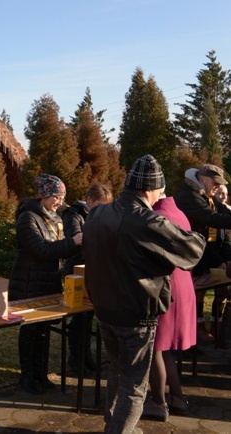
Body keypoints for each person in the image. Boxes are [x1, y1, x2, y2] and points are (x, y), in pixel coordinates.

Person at [83, 155, 205, 434]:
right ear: (151, 190)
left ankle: (113, 423)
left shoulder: (98, 213)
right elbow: (193, 251)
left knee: (116, 369)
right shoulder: (148, 220)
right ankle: (120, 430)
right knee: (134, 384)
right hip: (135, 313)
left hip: (103, 309)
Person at [8, 174, 82, 395]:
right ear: (43, 196)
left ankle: (41, 373)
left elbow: (59, 249)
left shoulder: (55, 218)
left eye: (62, 197)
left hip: (49, 282)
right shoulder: (27, 218)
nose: (59, 201)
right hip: (29, 283)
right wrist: (73, 243)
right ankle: (27, 376)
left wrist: (75, 245)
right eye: (56, 197)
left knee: (44, 330)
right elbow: (41, 250)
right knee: (30, 330)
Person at [142, 196, 198, 422]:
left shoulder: (156, 216)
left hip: (165, 288)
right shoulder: (180, 214)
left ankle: (159, 403)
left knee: (156, 346)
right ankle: (177, 399)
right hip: (183, 285)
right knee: (164, 349)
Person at [174, 164, 231, 343]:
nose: (216, 187)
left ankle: (208, 330)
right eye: (215, 183)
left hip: (204, 255)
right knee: (190, 299)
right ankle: (190, 336)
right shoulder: (189, 196)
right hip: (188, 258)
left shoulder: (205, 195)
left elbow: (222, 212)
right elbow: (211, 218)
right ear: (202, 180)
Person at [62, 183, 113, 374]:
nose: (102, 211)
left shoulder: (100, 215)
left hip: (93, 269)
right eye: (99, 206)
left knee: (89, 315)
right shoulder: (73, 214)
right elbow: (75, 236)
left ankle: (86, 357)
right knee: (78, 317)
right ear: (89, 201)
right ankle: (75, 359)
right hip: (76, 269)